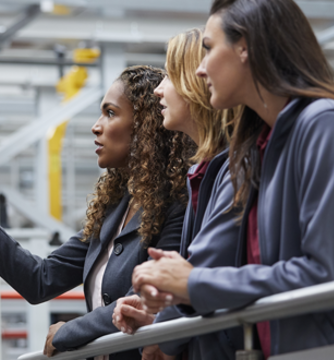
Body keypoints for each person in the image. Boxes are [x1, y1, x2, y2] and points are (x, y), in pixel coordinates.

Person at [131, 0, 334, 358]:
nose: (201, 70)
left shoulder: (328, 126)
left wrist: (192, 283)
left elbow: (324, 274)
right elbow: (258, 271)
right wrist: (178, 295)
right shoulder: (259, 147)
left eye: (208, 49)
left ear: (245, 47)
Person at [0, 65, 193, 360]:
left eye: (110, 113)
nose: (96, 126)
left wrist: (69, 332)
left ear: (145, 126)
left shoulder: (177, 206)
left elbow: (143, 302)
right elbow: (40, 279)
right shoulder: (112, 212)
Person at [111, 29, 243, 360]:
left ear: (196, 81)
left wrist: (164, 333)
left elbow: (202, 273)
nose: (159, 89)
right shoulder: (200, 175)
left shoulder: (232, 171)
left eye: (169, 76)